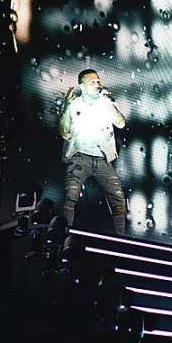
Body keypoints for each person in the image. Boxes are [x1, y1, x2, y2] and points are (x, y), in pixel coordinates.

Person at [59, 68, 127, 235]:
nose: (97, 84)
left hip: (102, 159)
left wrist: (109, 103)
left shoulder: (106, 104)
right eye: (92, 82)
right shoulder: (74, 104)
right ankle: (64, 234)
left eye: (98, 81)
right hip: (80, 157)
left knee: (118, 198)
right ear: (82, 85)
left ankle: (121, 239)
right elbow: (64, 132)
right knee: (71, 194)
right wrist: (66, 108)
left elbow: (121, 124)